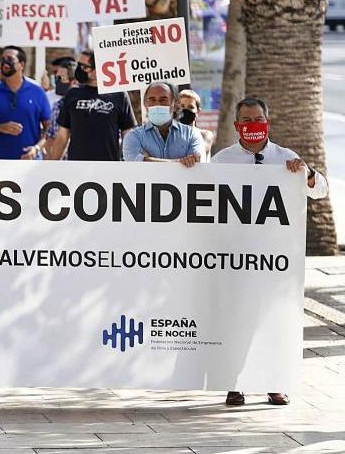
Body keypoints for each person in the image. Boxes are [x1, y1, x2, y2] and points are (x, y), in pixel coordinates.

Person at [214, 97, 326, 407]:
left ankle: (275, 383)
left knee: (273, 320)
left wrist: (307, 172)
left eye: (258, 119)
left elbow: (320, 190)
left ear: (268, 121)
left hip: (275, 259)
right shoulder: (222, 161)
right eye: (246, 120)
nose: (252, 125)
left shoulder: (285, 158)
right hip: (235, 256)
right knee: (237, 320)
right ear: (238, 125)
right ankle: (234, 384)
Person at [48, 50, 136, 161]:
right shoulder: (72, 93)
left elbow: (127, 135)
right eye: (78, 65)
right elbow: (62, 136)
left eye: (84, 66)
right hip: (77, 167)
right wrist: (52, 166)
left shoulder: (119, 95)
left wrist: (129, 167)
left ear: (97, 69)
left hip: (109, 168)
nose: (79, 69)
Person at [0, 46, 51, 160]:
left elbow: (49, 129)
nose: (5, 62)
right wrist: (0, 128)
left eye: (9, 58)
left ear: (21, 65)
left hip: (30, 163)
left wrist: (36, 148)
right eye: (3, 58)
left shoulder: (37, 92)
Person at [122, 81, 202, 166]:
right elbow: (135, 165)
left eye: (163, 100)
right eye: (152, 100)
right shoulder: (133, 136)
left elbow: (195, 164)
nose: (157, 104)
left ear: (174, 105)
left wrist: (148, 160)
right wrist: (179, 162)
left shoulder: (191, 135)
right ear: (145, 104)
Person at [177, 89, 215, 159]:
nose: (185, 110)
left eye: (190, 107)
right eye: (182, 106)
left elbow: (198, 152)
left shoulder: (205, 135)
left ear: (198, 111)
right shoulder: (171, 135)